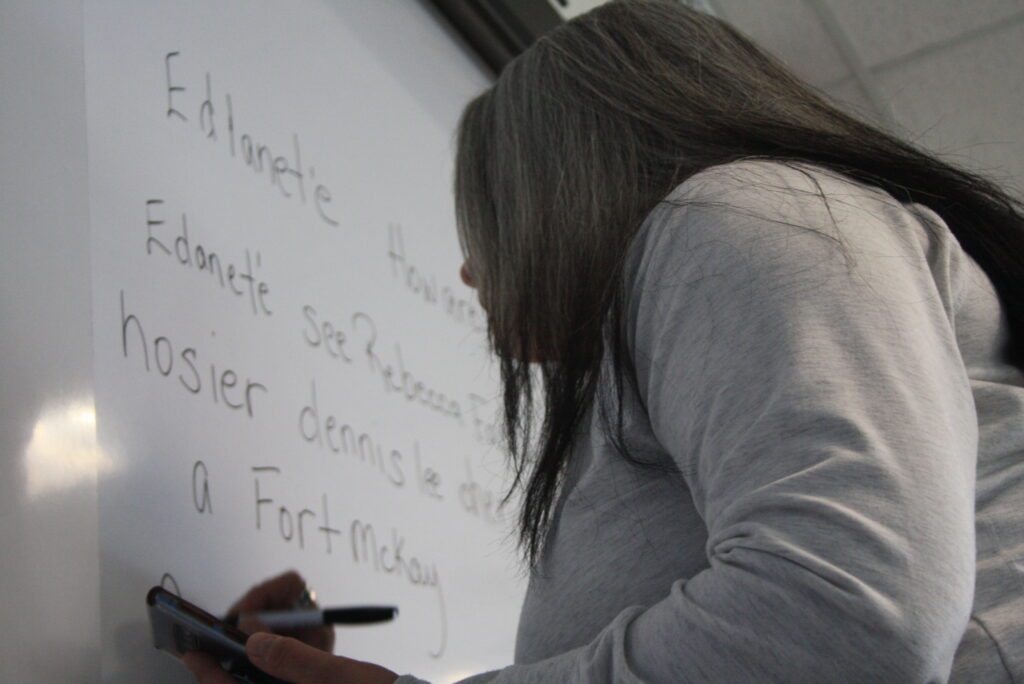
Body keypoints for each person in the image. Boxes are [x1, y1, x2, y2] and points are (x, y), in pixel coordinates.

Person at [186, 1, 1024, 682]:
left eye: (486, 225)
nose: (473, 274)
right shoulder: (703, 293)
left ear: (558, 192)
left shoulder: (742, 215)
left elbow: (850, 616)